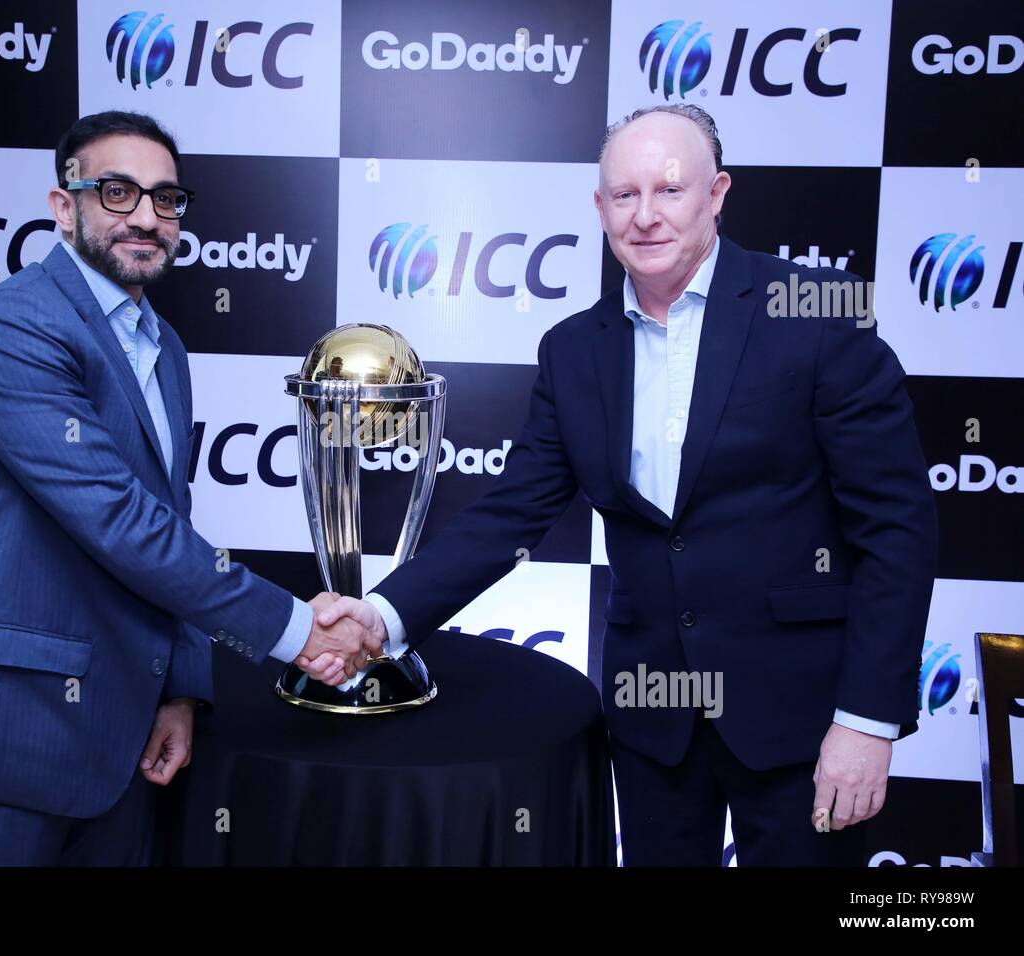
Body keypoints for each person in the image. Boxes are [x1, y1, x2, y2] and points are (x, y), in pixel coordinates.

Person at [309, 105, 938, 866]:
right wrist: (381, 616)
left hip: (804, 720)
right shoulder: (574, 348)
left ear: (717, 193)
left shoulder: (816, 315)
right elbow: (513, 509)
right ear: (600, 208)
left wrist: (866, 719)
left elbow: (897, 529)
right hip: (654, 722)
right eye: (623, 196)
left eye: (669, 192)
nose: (645, 217)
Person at [0, 110, 379, 865]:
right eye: (117, 192)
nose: (147, 217)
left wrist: (181, 688)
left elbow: (168, 517)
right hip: (5, 739)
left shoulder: (166, 347)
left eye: (166, 198)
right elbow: (118, 521)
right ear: (64, 207)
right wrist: (297, 630)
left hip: (122, 743)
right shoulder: (10, 326)